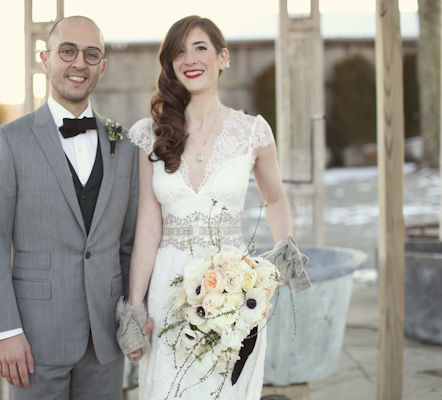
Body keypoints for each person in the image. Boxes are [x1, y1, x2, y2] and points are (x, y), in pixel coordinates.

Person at [120, 16, 308, 399]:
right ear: (170, 65)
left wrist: (281, 254)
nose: (189, 58)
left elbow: (275, 198)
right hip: (168, 289)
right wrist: (135, 307)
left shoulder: (253, 131)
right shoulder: (149, 134)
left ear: (224, 58)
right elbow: (147, 227)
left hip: (234, 287)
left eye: (200, 47)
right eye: (178, 52)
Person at [0, 16, 150, 400]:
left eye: (91, 54)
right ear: (45, 59)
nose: (79, 63)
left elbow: (129, 242)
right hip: (34, 341)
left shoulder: (125, 147)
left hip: (105, 342)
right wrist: (5, 331)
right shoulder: (8, 141)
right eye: (67, 51)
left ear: (102, 66)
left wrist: (133, 318)